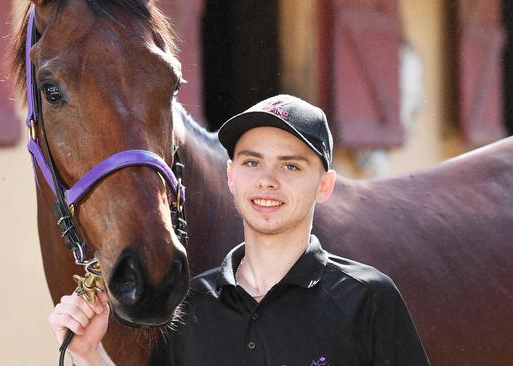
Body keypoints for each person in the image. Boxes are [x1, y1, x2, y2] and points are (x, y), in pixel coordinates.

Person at [49, 94, 430, 366]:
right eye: (251, 163)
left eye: (290, 166)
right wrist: (89, 353)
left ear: (325, 185)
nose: (266, 181)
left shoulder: (369, 299)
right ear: (231, 176)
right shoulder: (191, 305)